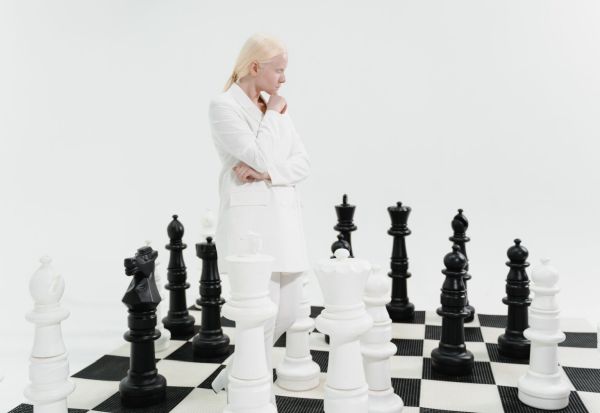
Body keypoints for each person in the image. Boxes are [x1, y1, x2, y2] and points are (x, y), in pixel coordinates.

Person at [207, 33, 310, 399]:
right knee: (261, 314)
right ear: (255, 67)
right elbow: (260, 154)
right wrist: (275, 115)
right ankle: (253, 390)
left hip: (285, 221)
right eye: (278, 70)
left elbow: (302, 162)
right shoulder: (223, 106)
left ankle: (237, 372)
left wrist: (267, 173)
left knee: (288, 312)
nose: (284, 78)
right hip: (252, 226)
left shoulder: (274, 109)